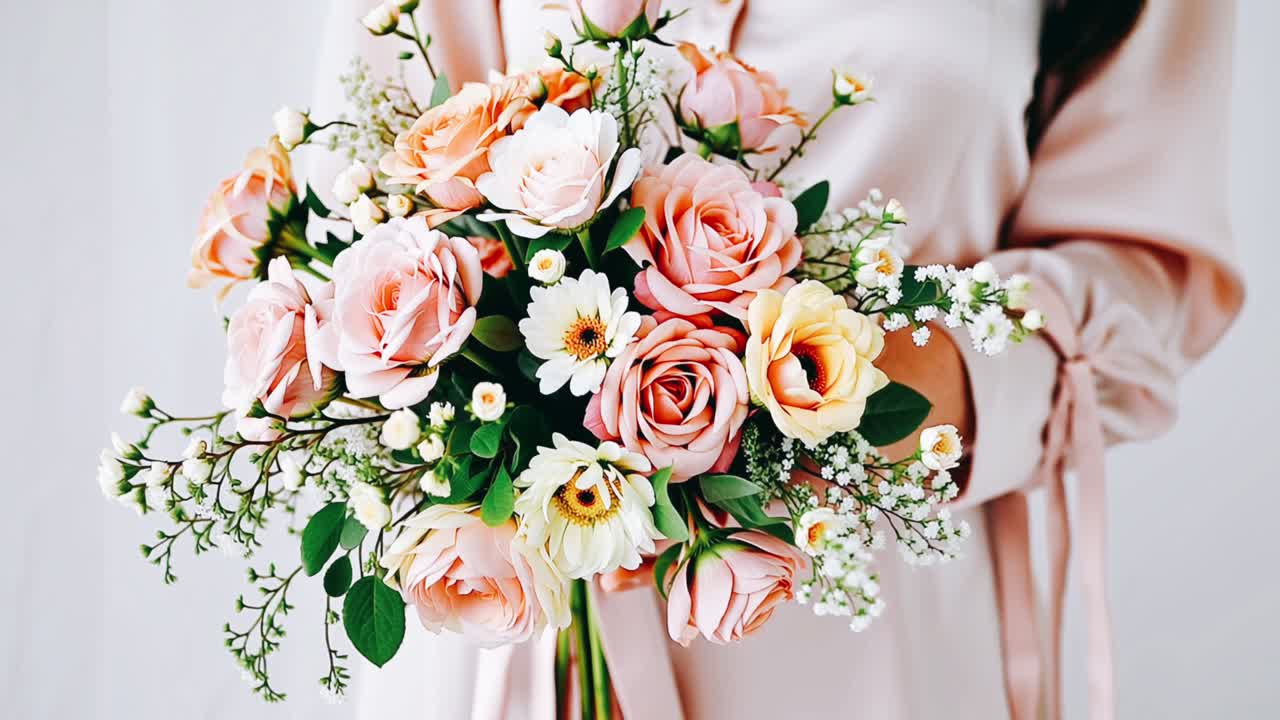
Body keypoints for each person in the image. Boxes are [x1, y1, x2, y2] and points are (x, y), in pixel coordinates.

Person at [311, 1, 1244, 718]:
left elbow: (1140, 268)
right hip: (505, 611)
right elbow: (353, 190)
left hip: (865, 627)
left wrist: (889, 388)